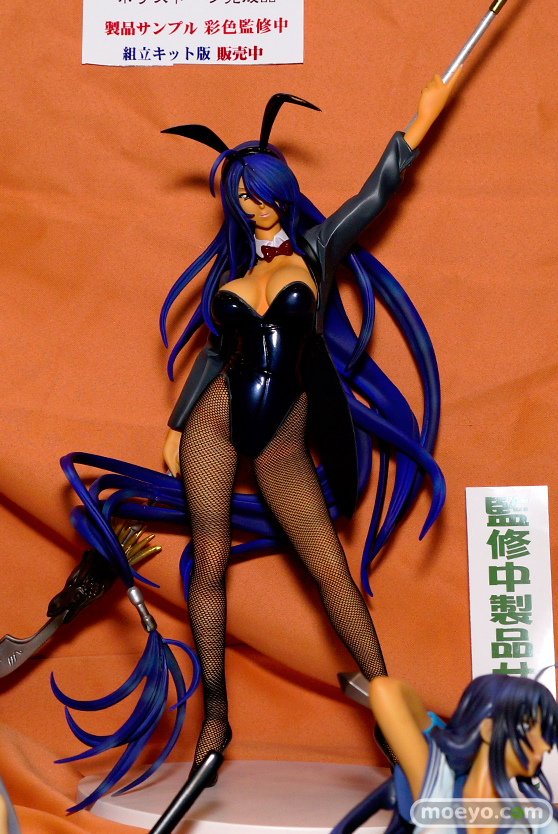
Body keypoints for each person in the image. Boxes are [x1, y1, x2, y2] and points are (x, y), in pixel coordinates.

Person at [53, 72, 458, 807]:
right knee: (208, 563)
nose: (251, 204)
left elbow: (379, 187)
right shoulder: (234, 270)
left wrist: (424, 114)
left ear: (282, 190)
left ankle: (390, 710)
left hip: (284, 432)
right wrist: (177, 423)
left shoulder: (318, 249)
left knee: (329, 569)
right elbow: (217, 353)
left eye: (260, 192)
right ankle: (214, 722)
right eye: (240, 195)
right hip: (215, 419)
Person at [332, 674, 558, 834]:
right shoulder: (438, 792)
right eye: (530, 728)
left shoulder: (530, 818)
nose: (546, 746)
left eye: (545, 734)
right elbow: (384, 689)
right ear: (488, 730)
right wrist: (438, 732)